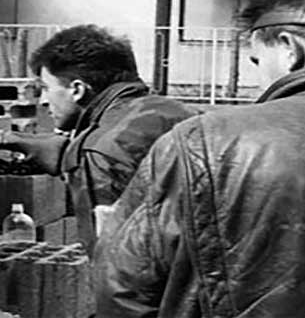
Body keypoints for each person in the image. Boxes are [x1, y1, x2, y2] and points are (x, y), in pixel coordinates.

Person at [95, 0, 305, 317]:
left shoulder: (202, 141)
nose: (258, 79)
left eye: (257, 62)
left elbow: (124, 290)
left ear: (290, 49)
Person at [28, 24, 200, 255]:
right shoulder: (187, 115)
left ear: (77, 90)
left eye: (46, 88)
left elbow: (112, 260)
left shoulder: (98, 150)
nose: (43, 101)